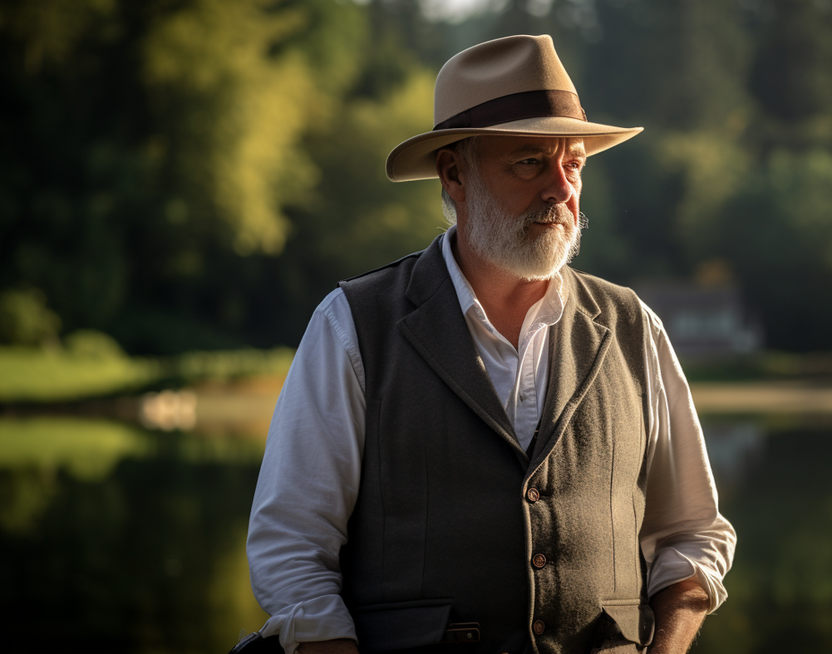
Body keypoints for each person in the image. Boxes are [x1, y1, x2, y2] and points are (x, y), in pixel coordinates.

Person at [246, 34, 735, 654]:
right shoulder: (352, 325)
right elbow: (291, 551)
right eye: (530, 162)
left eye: (574, 163)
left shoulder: (633, 327)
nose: (561, 189)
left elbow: (693, 535)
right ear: (454, 173)